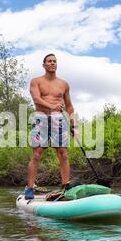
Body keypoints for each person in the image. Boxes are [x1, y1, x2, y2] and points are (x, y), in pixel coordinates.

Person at [24, 53, 76, 200]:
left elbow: (70, 107)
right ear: (44, 65)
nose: (52, 63)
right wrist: (53, 106)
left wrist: (74, 125)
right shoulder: (36, 81)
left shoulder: (64, 84)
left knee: (63, 153)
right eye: (49, 61)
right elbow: (37, 99)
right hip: (40, 118)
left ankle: (66, 185)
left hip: (58, 120)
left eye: (54, 61)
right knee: (37, 153)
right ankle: (30, 188)